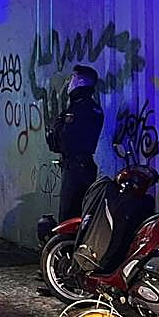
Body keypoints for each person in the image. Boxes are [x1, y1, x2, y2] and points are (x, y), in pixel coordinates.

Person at [45, 64, 105, 223]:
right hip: (86, 166)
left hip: (75, 169)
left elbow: (61, 141)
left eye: (73, 78)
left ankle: (68, 240)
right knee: (83, 214)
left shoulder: (77, 109)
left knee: (69, 217)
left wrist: (55, 128)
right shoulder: (94, 108)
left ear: (80, 82)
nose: (69, 83)